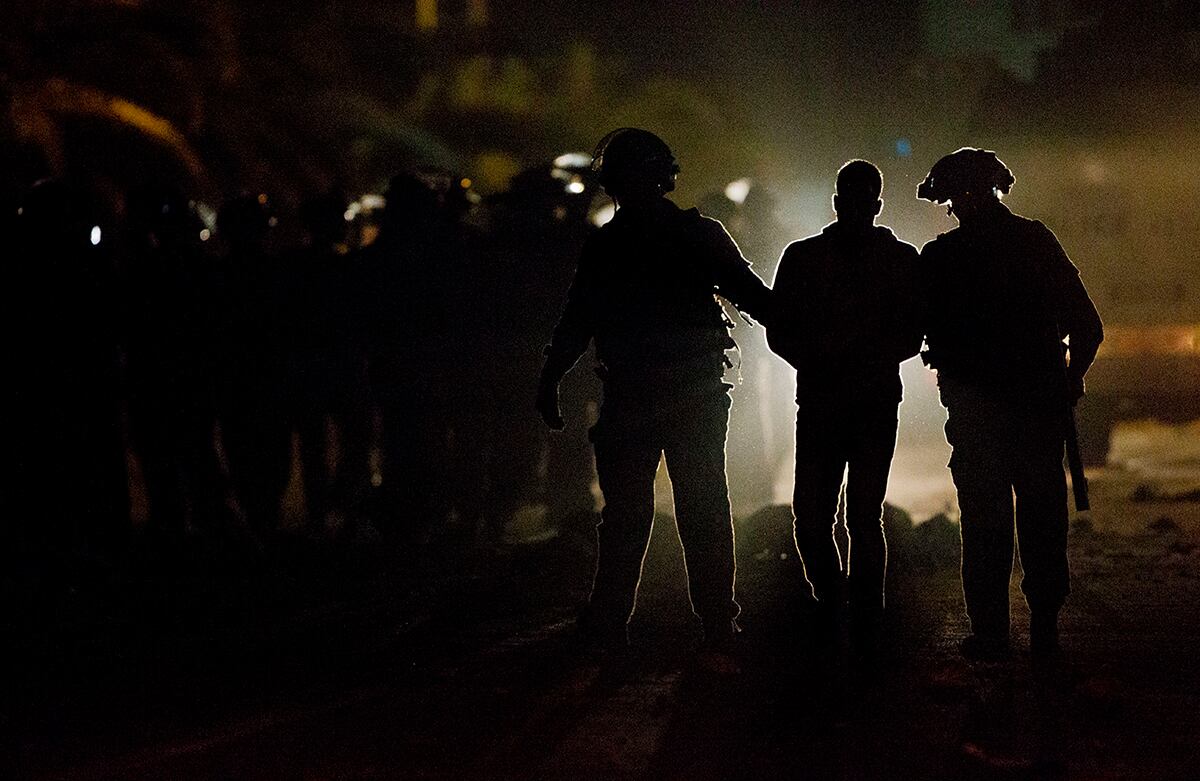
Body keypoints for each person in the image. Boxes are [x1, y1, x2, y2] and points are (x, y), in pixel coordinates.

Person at [536, 128, 772, 656]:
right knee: (703, 506)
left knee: (625, 514)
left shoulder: (607, 243)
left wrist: (551, 378)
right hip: (693, 395)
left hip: (632, 396)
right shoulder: (698, 234)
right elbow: (755, 298)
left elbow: (578, 319)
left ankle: (611, 621)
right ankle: (715, 623)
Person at [917, 148, 1103, 659]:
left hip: (980, 416)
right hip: (1037, 408)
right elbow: (1088, 328)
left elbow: (908, 330)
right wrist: (1070, 379)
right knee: (1041, 521)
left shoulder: (941, 258)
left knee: (984, 525)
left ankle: (993, 635)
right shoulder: (1036, 243)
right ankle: (1043, 631)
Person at [768, 160, 922, 655]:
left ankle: (840, 606)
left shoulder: (804, 258)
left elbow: (778, 331)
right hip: (865, 399)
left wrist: (821, 357)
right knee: (857, 516)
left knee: (819, 516)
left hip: (827, 399)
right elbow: (912, 333)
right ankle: (858, 615)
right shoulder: (899, 259)